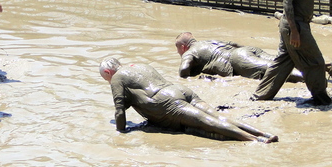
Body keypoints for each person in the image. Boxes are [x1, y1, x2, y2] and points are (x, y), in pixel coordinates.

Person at [99, 57, 278, 142]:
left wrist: (120, 134)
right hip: (180, 91)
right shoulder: (138, 64)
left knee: (208, 122)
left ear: (108, 73)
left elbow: (120, 110)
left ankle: (255, 140)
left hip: (167, 102)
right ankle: (263, 133)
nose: (108, 81)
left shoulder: (117, 78)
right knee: (218, 117)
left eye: (105, 78)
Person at [174, 32, 332, 83]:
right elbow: (233, 42)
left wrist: (189, 78)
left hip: (237, 59)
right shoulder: (209, 41)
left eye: (178, 51)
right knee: (283, 63)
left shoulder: (190, 51)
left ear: (183, 47)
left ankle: (320, 80)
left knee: (275, 71)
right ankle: (328, 66)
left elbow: (183, 71)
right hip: (248, 50)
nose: (180, 54)